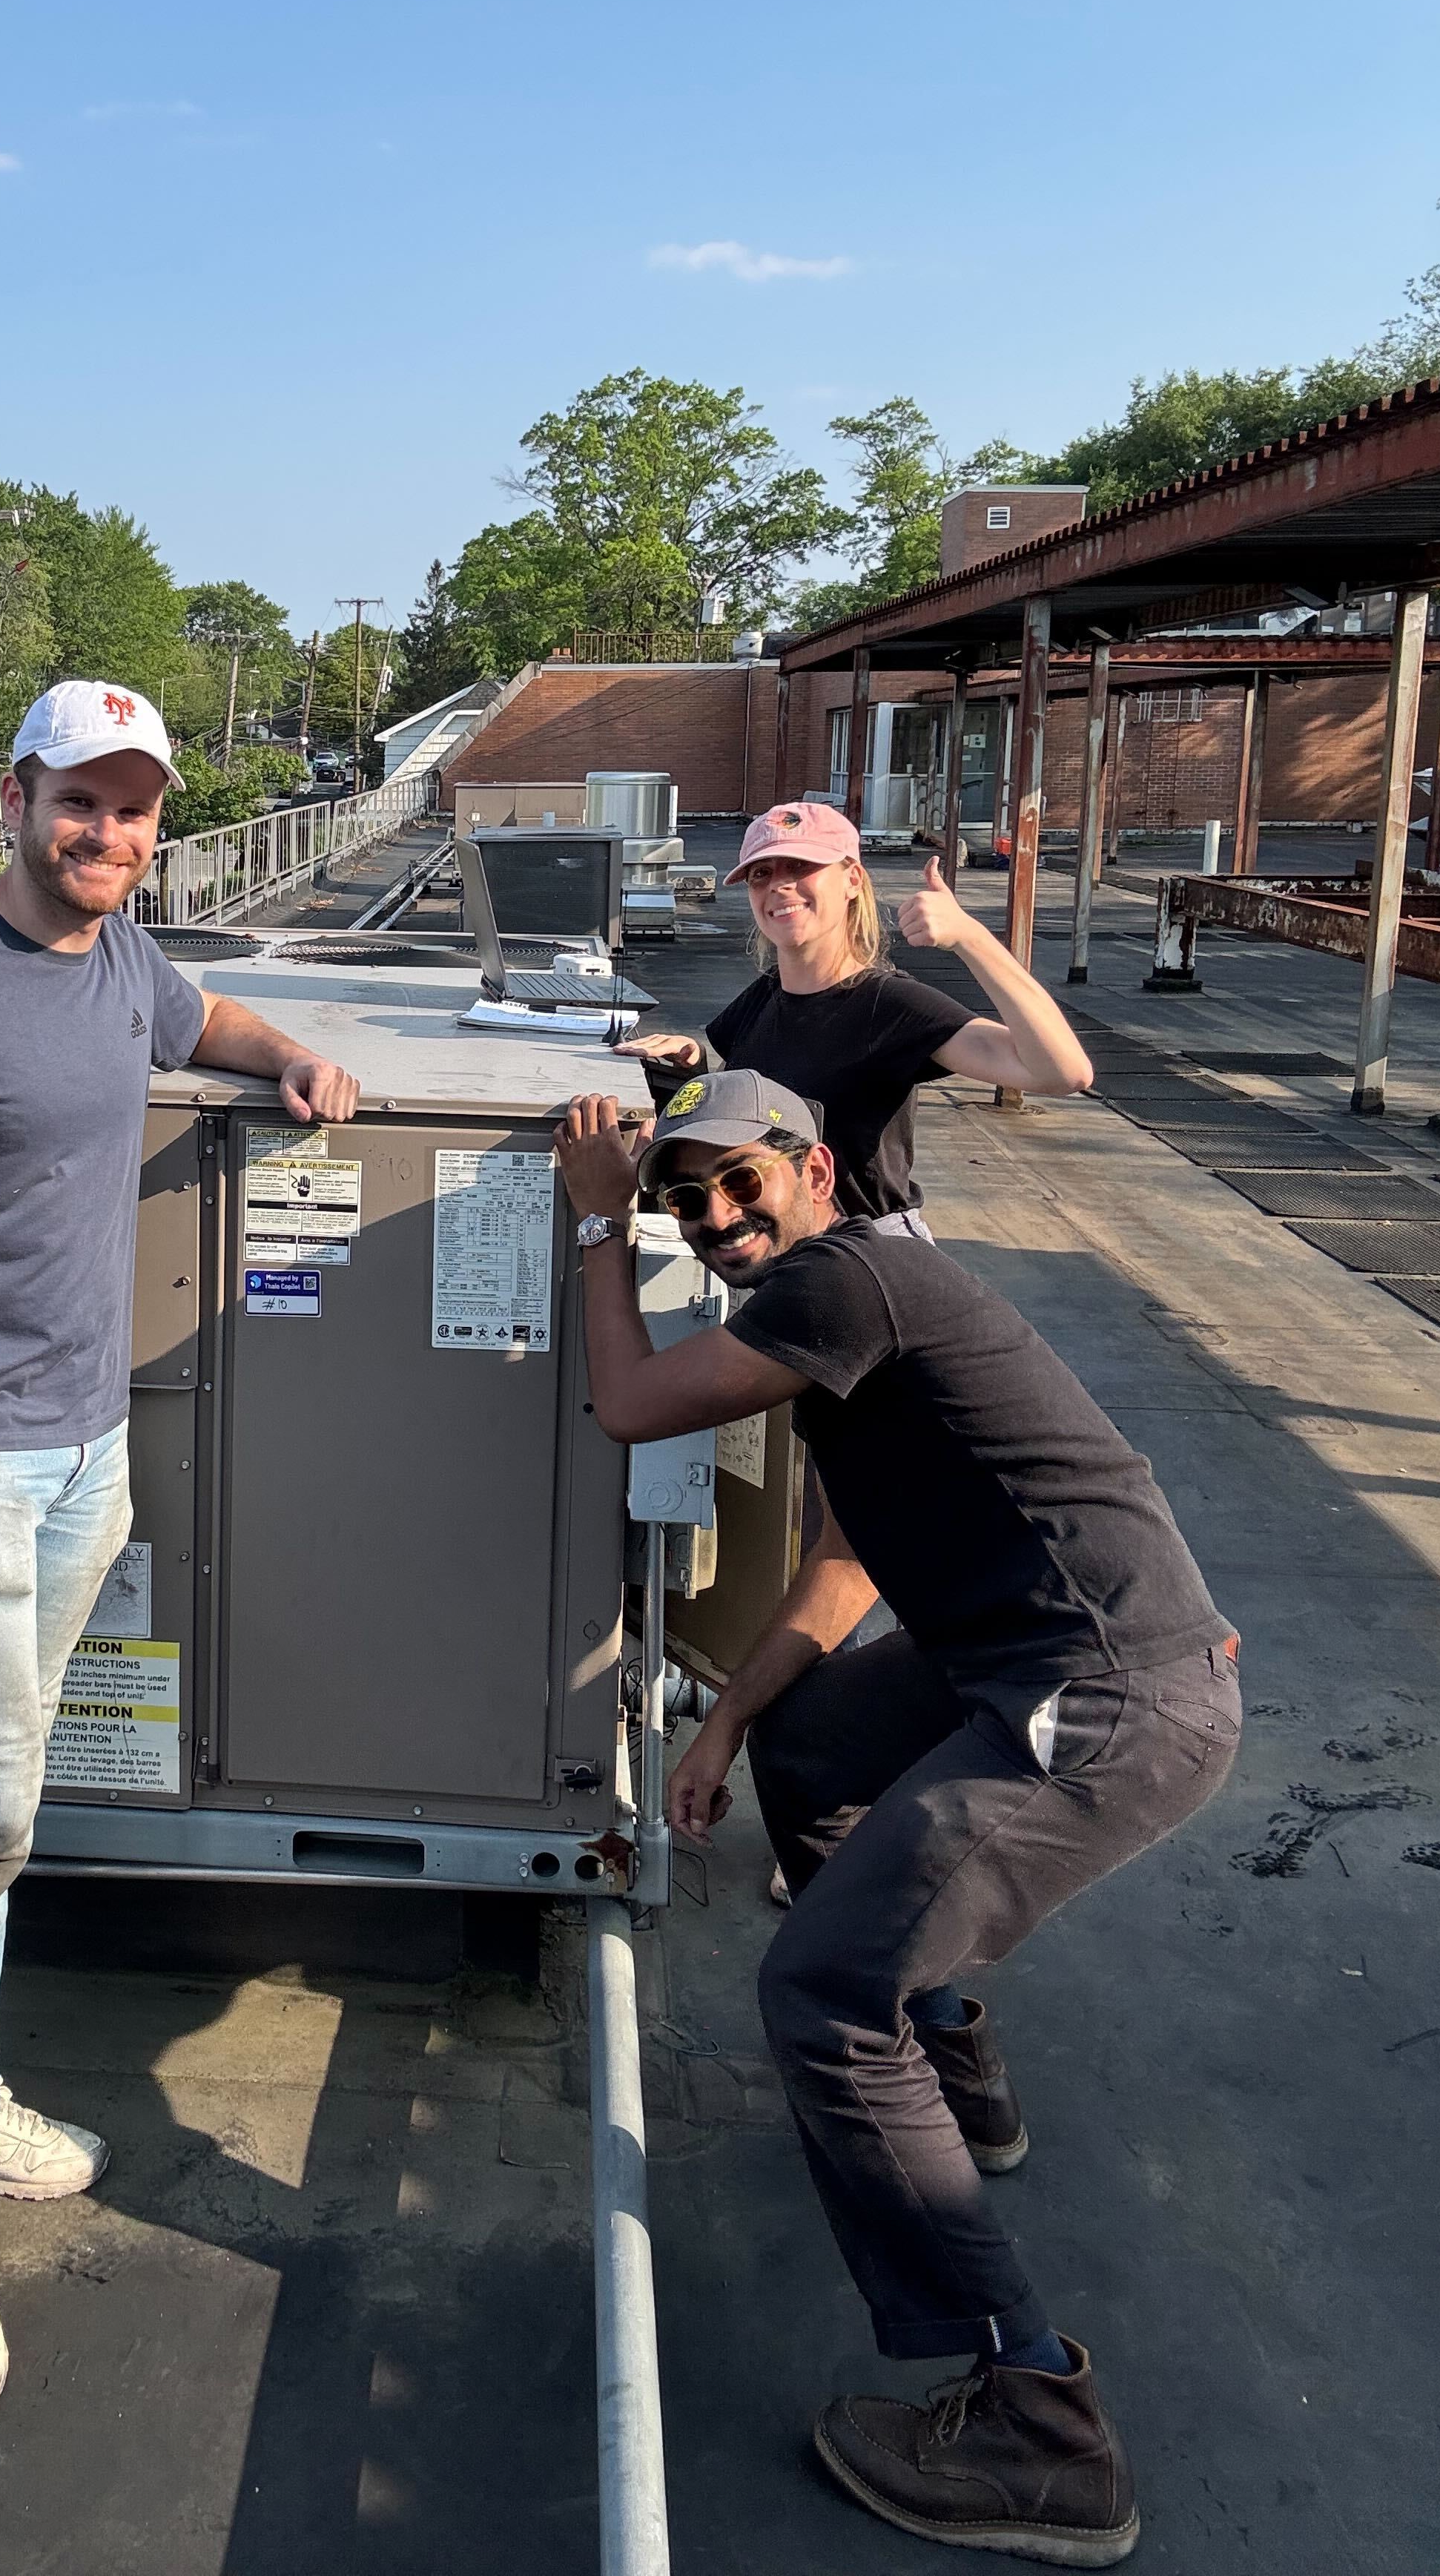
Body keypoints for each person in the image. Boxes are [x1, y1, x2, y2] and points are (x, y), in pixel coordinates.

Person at [552, 1067, 1238, 2565]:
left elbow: (625, 1405)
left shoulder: (844, 1278)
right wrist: (730, 1718)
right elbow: (849, 1568)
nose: (717, 1223)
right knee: (813, 1748)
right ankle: (953, 2073)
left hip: (1104, 1701)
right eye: (687, 1202)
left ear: (812, 1169)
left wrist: (601, 1231)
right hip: (1025, 1664)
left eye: (739, 1185)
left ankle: (1041, 2426)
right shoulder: (866, 1310)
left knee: (821, 1992)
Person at [0, 678, 360, 2414]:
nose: (107, 835)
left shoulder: (122, 960)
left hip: (93, 1456)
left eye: (135, 809)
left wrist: (293, 1057)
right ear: (12, 796)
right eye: (78, 803)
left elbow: (204, 1011)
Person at [621, 800, 1094, 1233]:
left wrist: (971, 937)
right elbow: (756, 1112)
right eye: (761, 874)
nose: (779, 885)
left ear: (852, 880)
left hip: (864, 1252)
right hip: (773, 1250)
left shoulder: (889, 1006)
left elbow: (1062, 1071)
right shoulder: (765, 996)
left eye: (802, 866)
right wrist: (694, 1069)